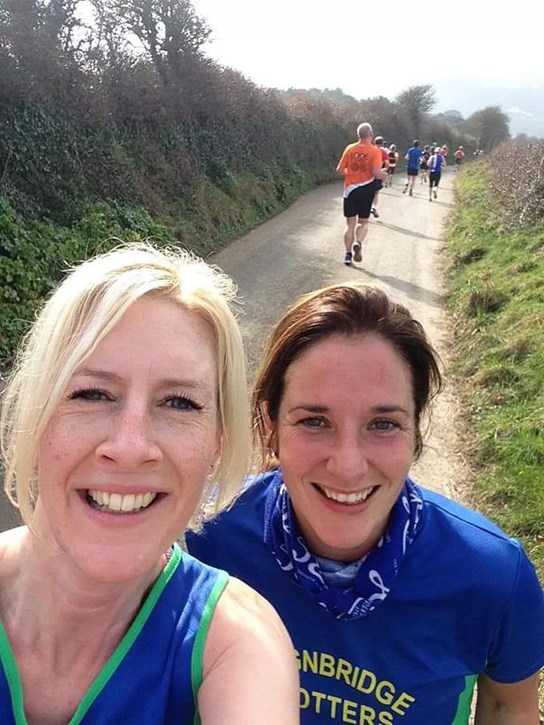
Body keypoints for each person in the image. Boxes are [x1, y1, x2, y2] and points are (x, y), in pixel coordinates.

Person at [188, 283, 544, 724]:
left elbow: (510, 707)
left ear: (416, 430)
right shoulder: (201, 538)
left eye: (383, 424)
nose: (349, 466)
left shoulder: (492, 576)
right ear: (269, 425)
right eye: (315, 421)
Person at [0, 243, 299, 723]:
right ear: (37, 414)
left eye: (180, 403)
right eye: (92, 393)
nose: (131, 445)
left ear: (218, 441)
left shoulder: (237, 646)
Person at [335, 122, 387, 266]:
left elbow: (340, 169)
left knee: (349, 224)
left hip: (350, 190)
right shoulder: (375, 151)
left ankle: (347, 254)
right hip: (367, 190)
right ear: (370, 134)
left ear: (358, 135)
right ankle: (358, 242)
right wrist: (384, 176)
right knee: (363, 222)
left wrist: (350, 173)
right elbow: (376, 172)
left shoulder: (350, 148)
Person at [370, 135, 390, 218]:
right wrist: (384, 170)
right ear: (382, 143)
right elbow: (387, 164)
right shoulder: (383, 152)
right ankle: (373, 207)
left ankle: (365, 208)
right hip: (378, 174)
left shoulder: (370, 150)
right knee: (376, 192)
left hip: (368, 174)